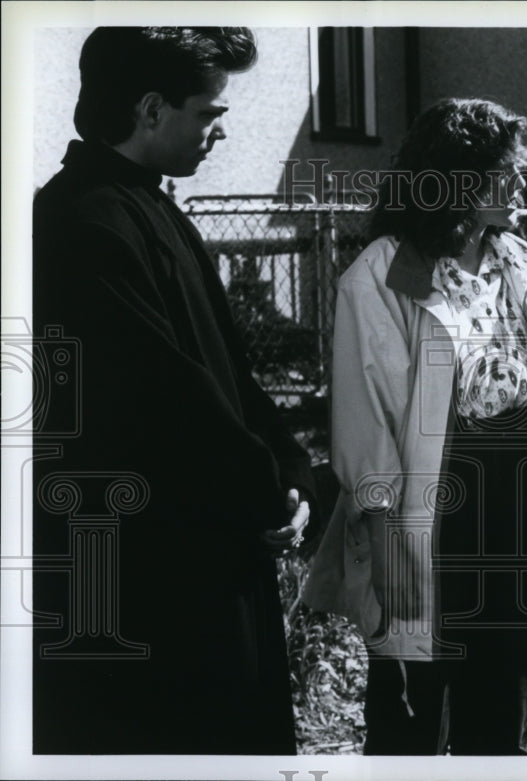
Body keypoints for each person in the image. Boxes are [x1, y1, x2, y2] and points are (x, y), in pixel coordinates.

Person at [32, 27, 315, 754]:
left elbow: (232, 375)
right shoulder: (81, 221)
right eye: (208, 113)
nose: (219, 132)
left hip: (213, 546)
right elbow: (167, 396)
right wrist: (262, 494)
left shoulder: (153, 208)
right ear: (151, 109)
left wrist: (289, 476)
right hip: (151, 575)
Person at [304, 98, 527, 755]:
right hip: (425, 516)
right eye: (506, 171)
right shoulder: (379, 274)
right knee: (410, 713)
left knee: (501, 704)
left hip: (515, 503)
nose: (523, 184)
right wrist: (384, 546)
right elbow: (363, 423)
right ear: (458, 178)